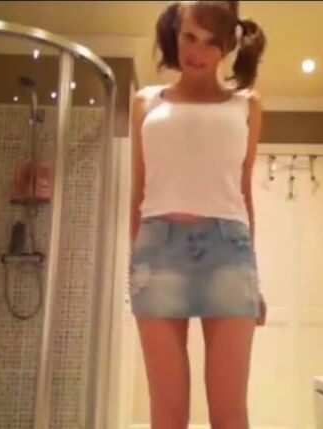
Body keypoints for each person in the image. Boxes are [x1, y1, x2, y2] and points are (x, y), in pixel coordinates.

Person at [128, 1, 267, 428]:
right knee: (167, 416)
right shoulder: (145, 102)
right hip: (157, 253)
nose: (197, 51)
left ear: (227, 47)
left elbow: (243, 190)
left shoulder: (246, 105)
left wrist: (254, 277)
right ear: (175, 34)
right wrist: (133, 267)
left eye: (211, 42)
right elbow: (138, 192)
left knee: (229, 414)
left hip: (229, 255)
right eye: (190, 36)